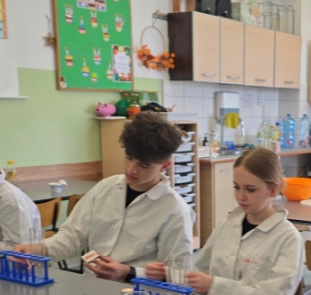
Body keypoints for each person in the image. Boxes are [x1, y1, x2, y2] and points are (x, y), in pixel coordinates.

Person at [17, 112, 193, 282]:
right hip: (94, 285)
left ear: (165, 165)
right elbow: (73, 237)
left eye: (144, 165)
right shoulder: (105, 188)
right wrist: (39, 250)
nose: (131, 169)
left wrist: (129, 273)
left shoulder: (175, 209)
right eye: (128, 157)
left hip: (140, 293)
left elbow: (178, 273)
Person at [146, 148, 303, 295]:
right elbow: (199, 277)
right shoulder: (226, 226)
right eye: (236, 187)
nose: (241, 196)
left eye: (250, 189)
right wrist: (169, 276)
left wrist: (214, 286)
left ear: (273, 190)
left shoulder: (288, 238)